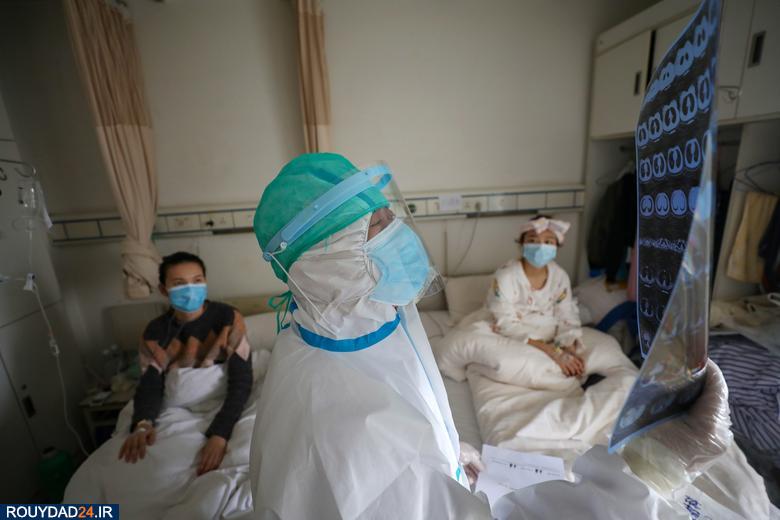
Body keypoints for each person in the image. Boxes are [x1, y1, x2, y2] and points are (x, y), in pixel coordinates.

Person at [249, 153, 489, 519]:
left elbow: (416, 396)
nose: (397, 233)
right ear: (325, 261)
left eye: (390, 216)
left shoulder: (377, 315)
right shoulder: (340, 420)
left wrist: (447, 454)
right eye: (377, 225)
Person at [118, 251, 253, 476]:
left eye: (197, 280)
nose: (190, 289)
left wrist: (220, 433)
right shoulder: (155, 332)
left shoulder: (228, 318)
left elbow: (242, 379)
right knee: (140, 467)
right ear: (164, 290)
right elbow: (150, 384)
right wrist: (143, 424)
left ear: (205, 282)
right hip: (175, 409)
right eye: (179, 283)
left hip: (224, 403)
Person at [488, 215, 586, 378]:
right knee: (509, 366)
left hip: (548, 333)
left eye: (548, 242)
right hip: (514, 335)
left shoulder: (560, 276)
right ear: (522, 244)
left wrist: (568, 349)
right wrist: (553, 352)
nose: (541, 246)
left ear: (556, 246)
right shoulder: (506, 276)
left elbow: (566, 314)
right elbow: (505, 322)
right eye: (533, 240)